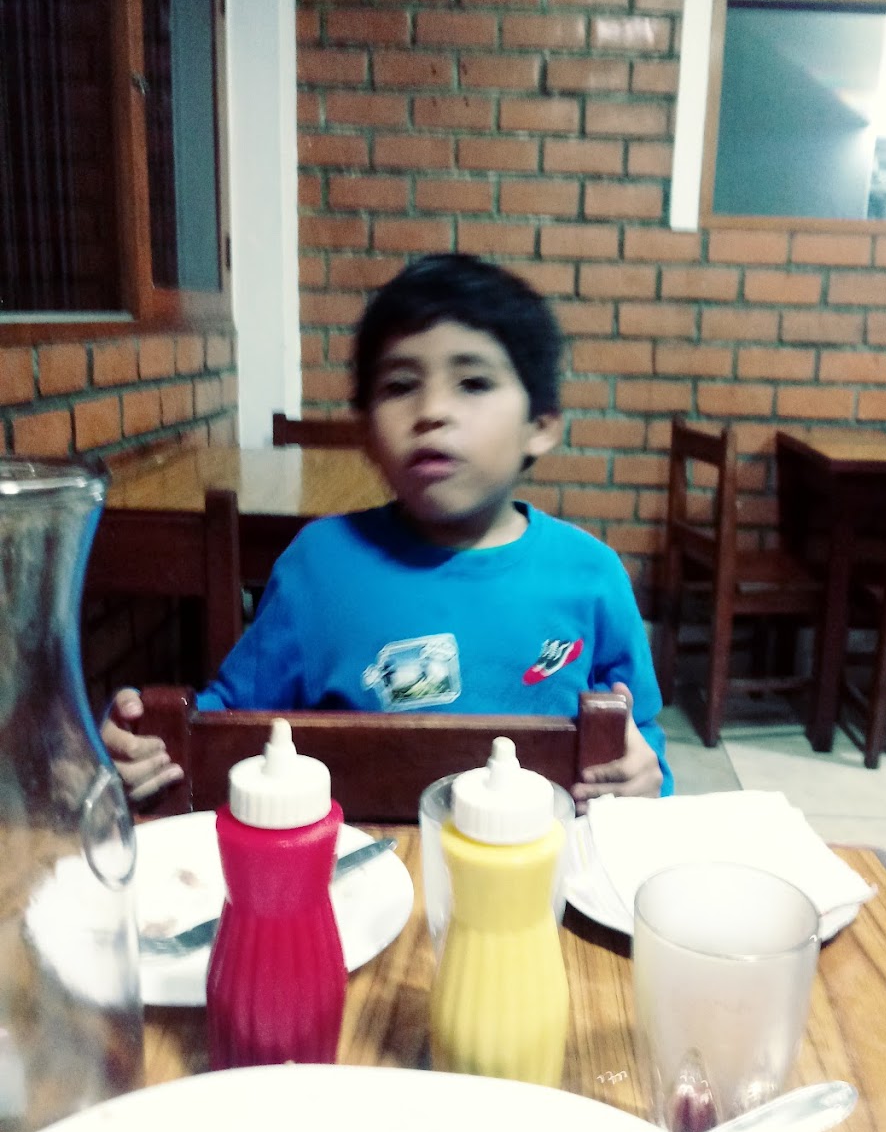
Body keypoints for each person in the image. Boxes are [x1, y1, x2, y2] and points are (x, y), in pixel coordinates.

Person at [102, 253, 672, 806]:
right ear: (368, 436)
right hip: (357, 857)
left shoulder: (592, 576)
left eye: (473, 382)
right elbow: (227, 718)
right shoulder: (318, 567)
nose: (432, 410)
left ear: (540, 425)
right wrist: (147, 744)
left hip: (539, 859)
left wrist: (647, 776)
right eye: (400, 386)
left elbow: (641, 740)